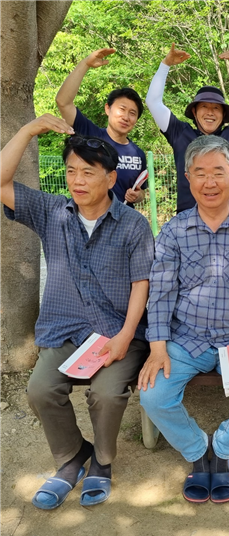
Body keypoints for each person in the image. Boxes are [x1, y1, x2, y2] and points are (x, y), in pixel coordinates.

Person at [0, 115, 155, 509]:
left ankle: (101, 460)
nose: (78, 180)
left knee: (106, 393)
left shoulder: (133, 225)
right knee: (40, 389)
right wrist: (28, 130)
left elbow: (142, 283)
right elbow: (1, 183)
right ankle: (71, 457)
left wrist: (125, 337)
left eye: (88, 172)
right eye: (71, 171)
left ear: (110, 177)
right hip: (66, 330)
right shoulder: (51, 211)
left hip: (119, 332)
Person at [138, 135, 229, 504]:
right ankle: (198, 450)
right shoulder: (174, 231)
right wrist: (157, 347)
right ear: (188, 179)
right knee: (154, 397)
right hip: (187, 338)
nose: (209, 182)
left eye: (218, 172)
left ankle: (223, 448)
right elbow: (161, 293)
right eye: (200, 173)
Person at [145, 44, 229, 213]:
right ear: (194, 112)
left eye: (216, 108)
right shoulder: (180, 133)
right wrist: (165, 65)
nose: (210, 113)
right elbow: (153, 102)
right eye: (204, 107)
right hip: (188, 219)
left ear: (223, 114)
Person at [56, 48, 147, 207]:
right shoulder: (90, 135)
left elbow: (142, 191)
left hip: (123, 219)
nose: (126, 117)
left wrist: (138, 196)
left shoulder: (138, 154)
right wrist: (85, 64)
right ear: (107, 109)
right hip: (89, 216)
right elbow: (63, 102)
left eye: (132, 113)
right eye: (122, 109)